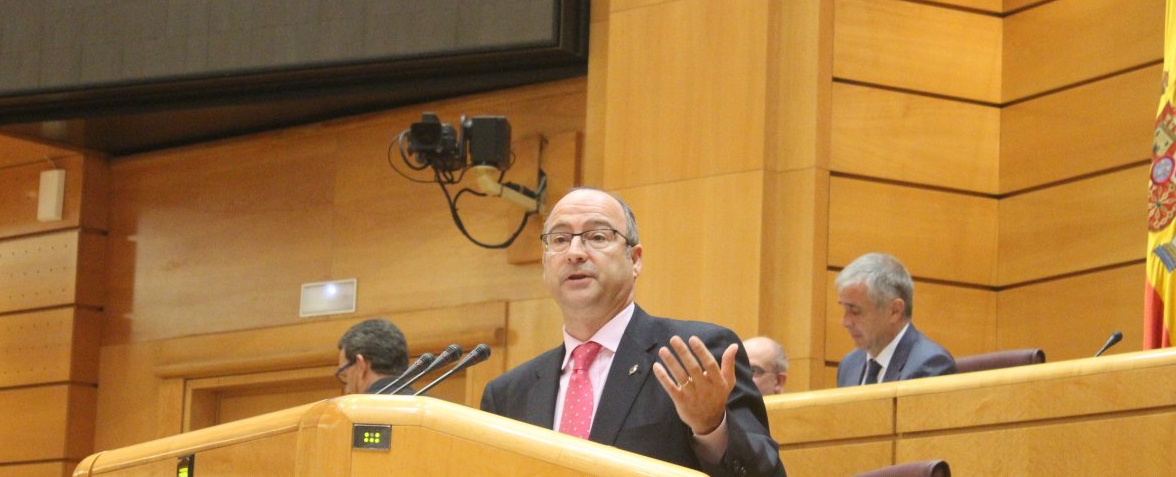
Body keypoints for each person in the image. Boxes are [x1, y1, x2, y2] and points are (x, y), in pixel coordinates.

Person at [481, 187, 785, 477]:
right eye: (559, 240)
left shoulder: (696, 355)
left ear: (635, 259)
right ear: (545, 265)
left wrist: (711, 427)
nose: (574, 252)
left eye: (596, 236)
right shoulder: (508, 396)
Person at [835, 252, 956, 387]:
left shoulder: (931, 367)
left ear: (895, 311)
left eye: (855, 311)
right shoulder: (849, 365)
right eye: (844, 308)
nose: (845, 322)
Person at [336, 318, 411, 394]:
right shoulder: (422, 402)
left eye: (345, 375)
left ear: (361, 365)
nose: (347, 391)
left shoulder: (352, 405)